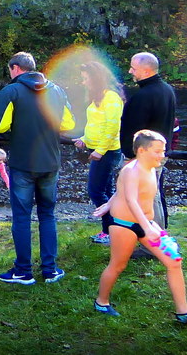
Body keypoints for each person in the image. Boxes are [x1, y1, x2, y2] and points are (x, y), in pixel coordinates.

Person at [92, 130, 187, 323]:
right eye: (157, 151)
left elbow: (124, 190)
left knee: (174, 261)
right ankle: (101, 302)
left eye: (163, 150)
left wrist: (109, 202)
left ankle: (183, 312)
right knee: (118, 265)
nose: (162, 155)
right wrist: (146, 228)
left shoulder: (152, 168)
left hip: (147, 224)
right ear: (141, 150)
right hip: (125, 225)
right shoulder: (131, 170)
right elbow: (130, 199)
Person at [0, 51, 75, 285]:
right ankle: (50, 269)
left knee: (21, 216)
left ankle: (23, 271)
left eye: (10, 70)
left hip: (23, 164)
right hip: (50, 163)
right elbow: (69, 124)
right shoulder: (57, 90)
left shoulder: (12, 91)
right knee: (47, 214)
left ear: (16, 68)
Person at [119, 52, 176, 229]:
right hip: (158, 151)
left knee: (149, 197)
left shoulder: (144, 96)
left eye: (133, 68)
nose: (130, 71)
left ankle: (155, 241)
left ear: (146, 71)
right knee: (154, 194)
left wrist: (130, 156)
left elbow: (133, 129)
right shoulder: (167, 90)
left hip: (143, 156)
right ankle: (156, 235)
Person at [74, 61, 125, 244]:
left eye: (86, 79)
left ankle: (110, 232)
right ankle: (114, 230)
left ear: (96, 79)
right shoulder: (99, 96)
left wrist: (100, 151)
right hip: (99, 149)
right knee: (108, 191)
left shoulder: (111, 98)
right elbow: (96, 125)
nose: (84, 82)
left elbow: (112, 128)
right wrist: (85, 140)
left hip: (108, 152)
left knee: (95, 191)